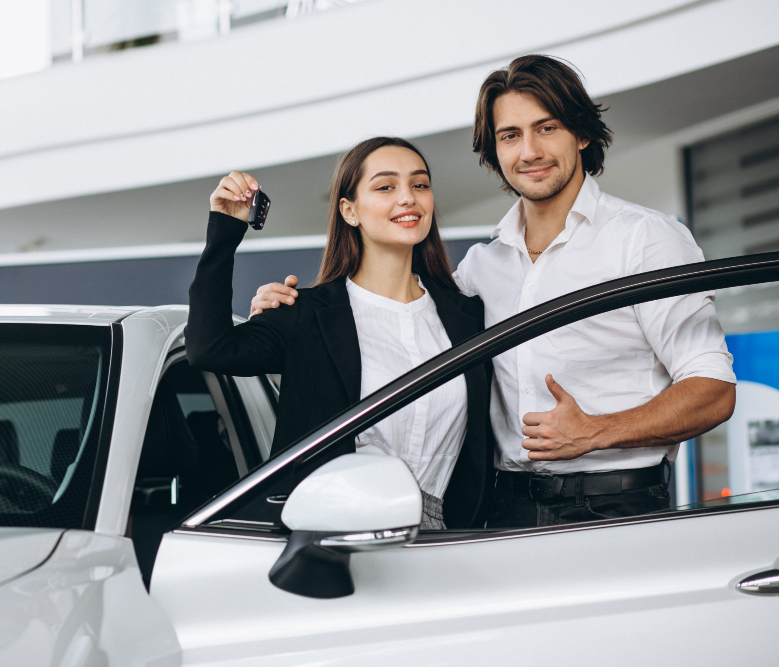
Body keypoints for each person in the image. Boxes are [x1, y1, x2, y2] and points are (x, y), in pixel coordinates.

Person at [249, 55, 736, 528]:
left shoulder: (644, 239)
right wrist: (288, 313)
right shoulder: (480, 268)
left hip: (616, 506)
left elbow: (712, 391)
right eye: (510, 135)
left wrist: (595, 432)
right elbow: (392, 342)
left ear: (583, 134)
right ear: (494, 152)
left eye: (547, 127)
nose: (529, 152)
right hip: (500, 514)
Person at [185, 137, 495, 530]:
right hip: (333, 533)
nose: (408, 198)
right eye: (385, 186)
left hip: (445, 535)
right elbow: (209, 350)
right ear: (349, 211)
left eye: (419, 185)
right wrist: (225, 229)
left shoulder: (468, 316)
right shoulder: (305, 315)